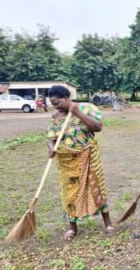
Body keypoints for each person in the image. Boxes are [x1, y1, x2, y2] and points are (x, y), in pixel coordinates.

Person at [47, 85, 114, 241]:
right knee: (69, 193)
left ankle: (108, 222)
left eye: (57, 102)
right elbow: (50, 138)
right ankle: (72, 227)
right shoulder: (55, 116)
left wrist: (76, 112)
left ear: (66, 97)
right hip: (66, 162)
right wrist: (51, 148)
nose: (55, 106)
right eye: (53, 104)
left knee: (96, 188)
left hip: (88, 156)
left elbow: (97, 127)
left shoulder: (87, 107)